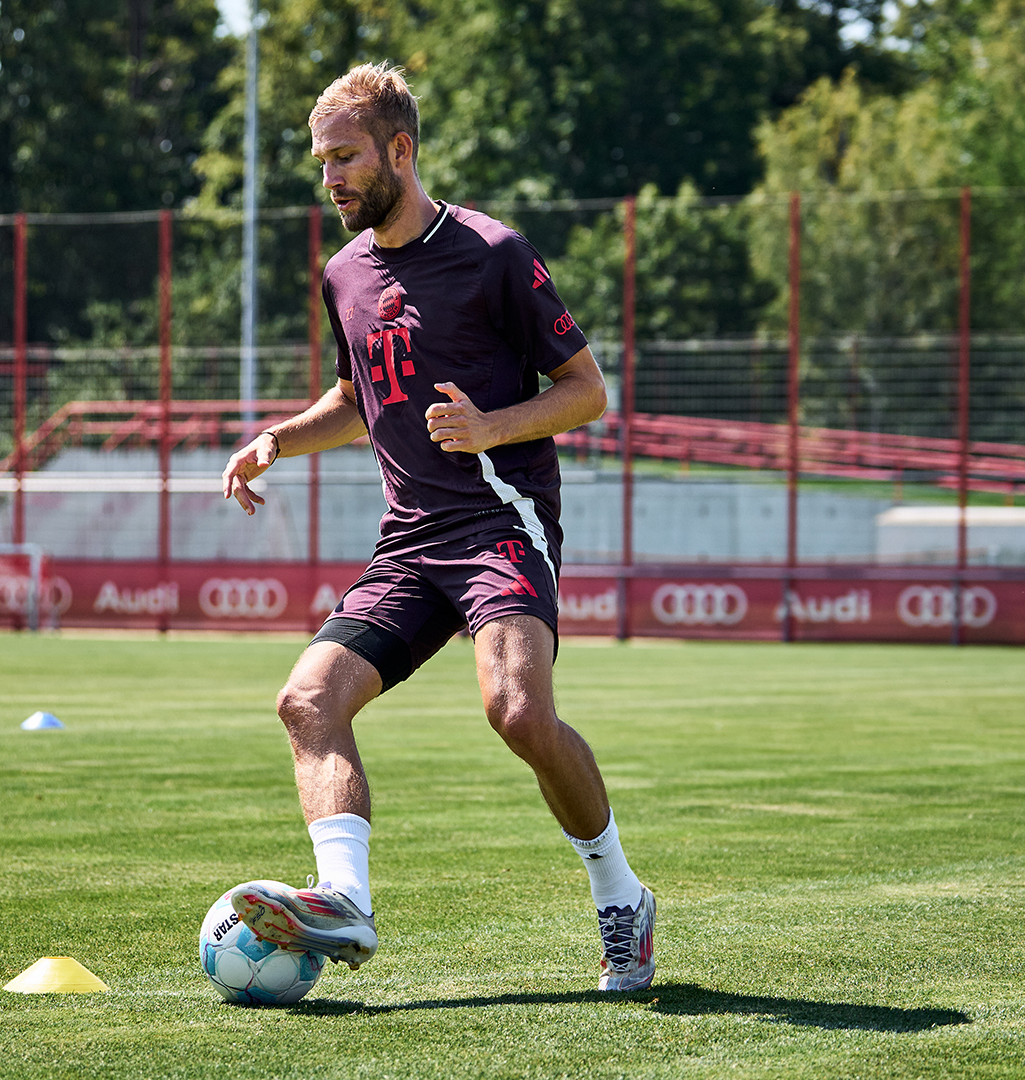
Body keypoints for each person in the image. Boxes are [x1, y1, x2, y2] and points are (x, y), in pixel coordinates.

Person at [219, 62, 654, 992]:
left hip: (503, 524)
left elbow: (588, 391)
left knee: (517, 711)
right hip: (410, 542)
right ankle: (344, 900)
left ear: (400, 152)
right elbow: (355, 395)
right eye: (320, 161)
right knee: (306, 701)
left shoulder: (495, 252)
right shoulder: (344, 271)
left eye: (345, 157)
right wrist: (275, 440)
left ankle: (621, 895)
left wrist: (494, 426)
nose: (329, 177)